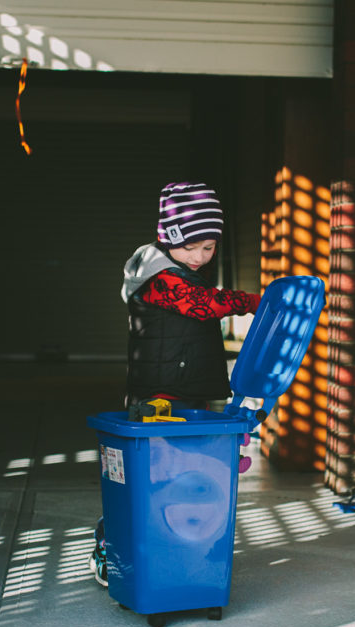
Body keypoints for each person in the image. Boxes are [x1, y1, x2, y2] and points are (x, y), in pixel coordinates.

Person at [89, 181, 261, 587]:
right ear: (169, 238)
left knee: (182, 474)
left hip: (186, 388)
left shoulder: (180, 270)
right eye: (192, 247)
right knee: (155, 477)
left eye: (210, 247)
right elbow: (203, 306)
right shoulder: (161, 278)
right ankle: (110, 545)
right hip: (160, 393)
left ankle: (174, 546)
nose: (201, 257)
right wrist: (252, 301)